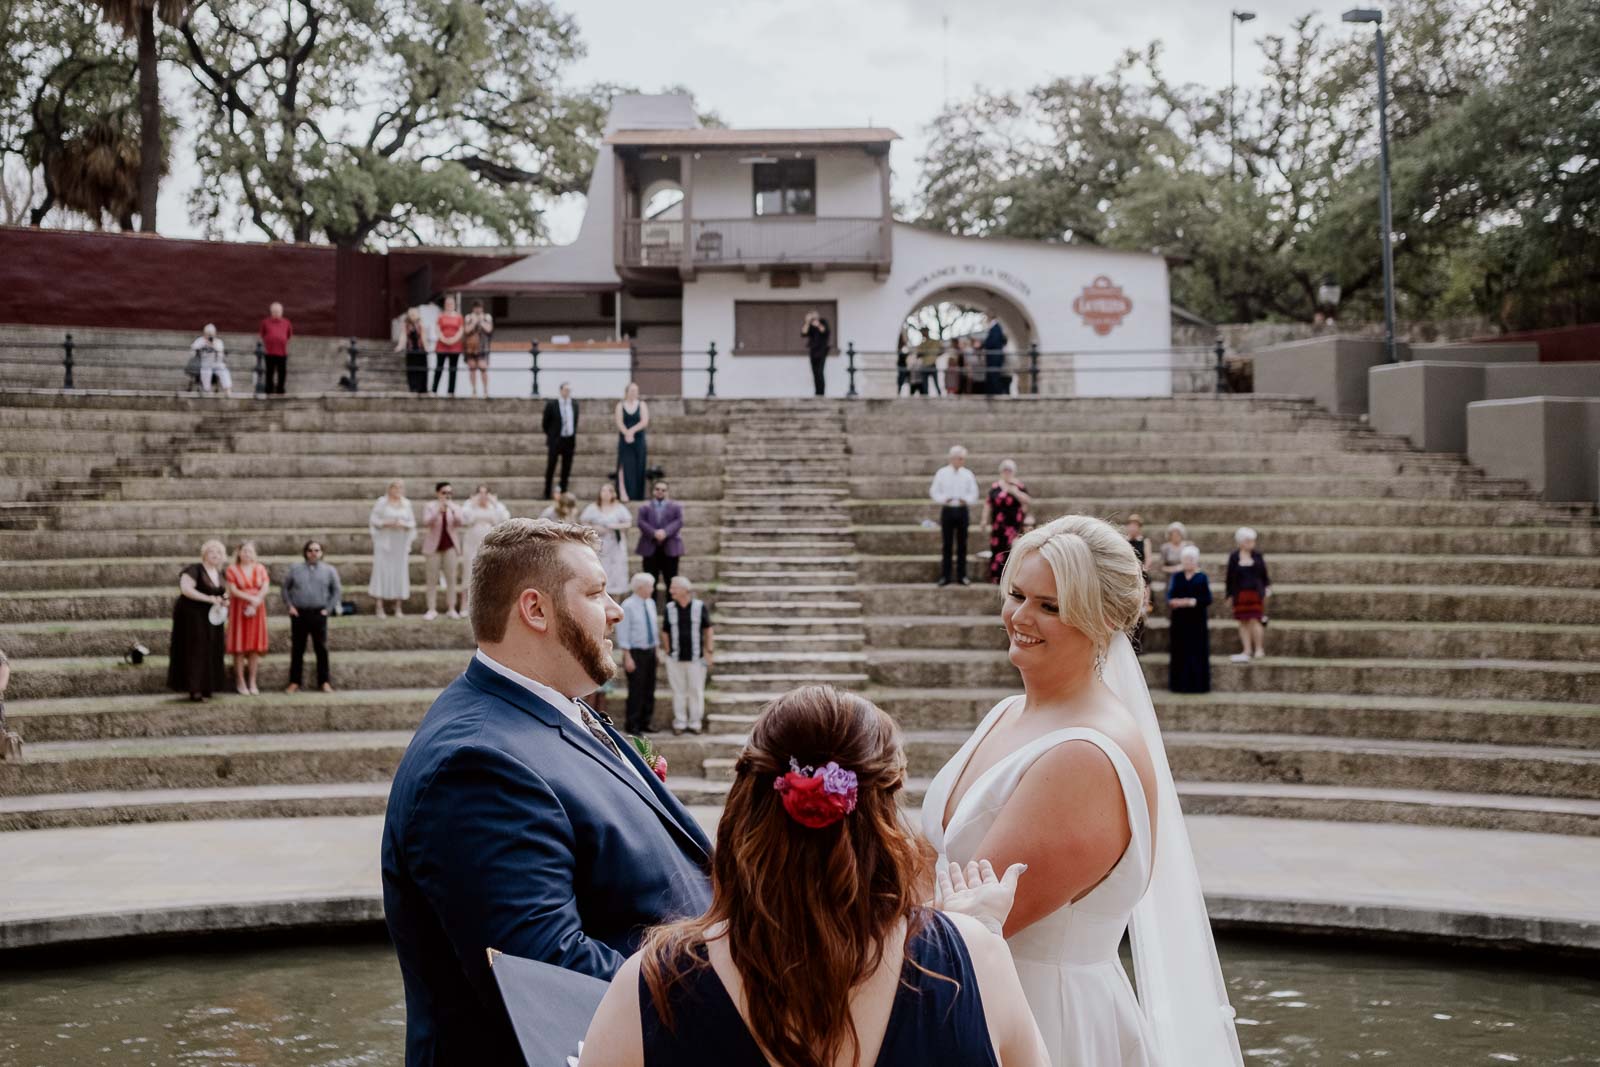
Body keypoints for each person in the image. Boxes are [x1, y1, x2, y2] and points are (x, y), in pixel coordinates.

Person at [381, 519, 712, 1065]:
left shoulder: (552, 705)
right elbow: (552, 973)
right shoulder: (476, 764)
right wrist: (728, 996)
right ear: (535, 610)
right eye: (596, 591)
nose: (617, 609)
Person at [579, 684, 1050, 1067]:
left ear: (745, 807)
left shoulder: (652, 983)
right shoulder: (975, 959)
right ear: (885, 811)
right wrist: (971, 936)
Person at [921, 515, 1245, 1067]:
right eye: (1018, 595)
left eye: (1050, 606)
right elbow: (930, 865)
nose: (1020, 617)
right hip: (970, 998)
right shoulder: (1007, 712)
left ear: (1104, 620)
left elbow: (968, 932)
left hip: (1042, 1018)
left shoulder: (1085, 757)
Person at [167, 540, 228, 702]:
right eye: (212, 552)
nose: (215, 555)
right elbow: (186, 589)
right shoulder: (194, 569)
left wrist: (223, 600)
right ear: (205, 554)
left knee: (212, 648)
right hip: (192, 616)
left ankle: (208, 685)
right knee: (196, 650)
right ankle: (194, 688)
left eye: (218, 552)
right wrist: (209, 599)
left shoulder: (220, 573)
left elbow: (223, 593)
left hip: (212, 618)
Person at [282, 539, 342, 693]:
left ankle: (324, 681)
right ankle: (294, 682)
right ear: (305, 552)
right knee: (297, 649)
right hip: (299, 613)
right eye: (310, 550)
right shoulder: (295, 569)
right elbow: (285, 589)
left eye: (317, 550)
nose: (313, 553)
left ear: (321, 553)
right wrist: (290, 606)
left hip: (319, 613)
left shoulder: (329, 570)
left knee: (321, 649)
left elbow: (336, 591)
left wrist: (328, 609)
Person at [660, 576, 713, 736]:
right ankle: (680, 722)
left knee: (696, 691)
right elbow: (665, 631)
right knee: (678, 691)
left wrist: (709, 651)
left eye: (673, 588)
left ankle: (695, 722)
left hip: (696, 658)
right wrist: (668, 649)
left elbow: (708, 629)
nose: (670, 591)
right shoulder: (669, 607)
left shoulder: (699, 606)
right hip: (675, 658)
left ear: (684, 590)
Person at [616, 572, 660, 735]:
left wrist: (656, 651)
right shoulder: (628, 605)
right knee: (637, 689)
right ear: (641, 587)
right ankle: (632, 723)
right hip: (635, 652)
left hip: (649, 650)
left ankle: (645, 721)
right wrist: (627, 656)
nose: (652, 589)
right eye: (650, 586)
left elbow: (654, 630)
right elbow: (624, 632)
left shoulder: (650, 603)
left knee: (650, 687)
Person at [929, 445, 980, 587]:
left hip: (962, 510)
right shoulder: (942, 473)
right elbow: (934, 491)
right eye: (959, 458)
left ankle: (962, 575)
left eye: (962, 459)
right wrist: (944, 499)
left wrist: (966, 500)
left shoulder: (968, 474)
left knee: (962, 544)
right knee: (947, 544)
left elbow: (974, 493)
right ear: (952, 459)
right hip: (948, 509)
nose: (961, 461)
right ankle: (945, 576)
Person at [224, 541, 271, 696]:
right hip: (239, 609)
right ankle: (240, 681)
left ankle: (252, 681)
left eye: (250, 551)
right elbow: (233, 590)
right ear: (239, 553)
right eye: (244, 551)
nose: (247, 554)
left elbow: (265, 586)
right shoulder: (232, 569)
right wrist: (251, 598)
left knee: (253, 648)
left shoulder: (260, 568)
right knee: (239, 648)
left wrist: (256, 600)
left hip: (257, 609)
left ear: (254, 553)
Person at [1167, 545, 1212, 693]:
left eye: (1191, 559)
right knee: (1180, 651)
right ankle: (1179, 685)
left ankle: (1197, 686)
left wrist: (1188, 601)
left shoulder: (1202, 577)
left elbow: (1207, 599)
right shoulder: (1177, 577)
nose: (1188, 562)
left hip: (1197, 622)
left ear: (1196, 561)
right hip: (1179, 622)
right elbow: (1170, 597)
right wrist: (1176, 602)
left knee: (1196, 652)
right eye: (1186, 559)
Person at [459, 485, 511, 616]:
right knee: (468, 572)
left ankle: (486, 606)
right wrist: (473, 504)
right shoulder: (469, 505)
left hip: (489, 544)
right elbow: (465, 519)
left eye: (485, 493)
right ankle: (464, 605)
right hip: (471, 543)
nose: (483, 496)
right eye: (480, 493)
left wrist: (495, 503)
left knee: (489, 573)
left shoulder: (495, 506)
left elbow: (504, 519)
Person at [370, 479, 417, 617]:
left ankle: (398, 607)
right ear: (389, 489)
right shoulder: (381, 502)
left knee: (399, 572)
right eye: (395, 487)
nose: (397, 490)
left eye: (400, 488)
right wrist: (387, 523)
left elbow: (412, 522)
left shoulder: (406, 503)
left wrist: (403, 524)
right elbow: (374, 520)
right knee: (381, 571)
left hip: (400, 543)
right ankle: (379, 606)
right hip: (384, 542)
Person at [1225, 526, 1271, 663]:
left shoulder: (1257, 556)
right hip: (1240, 594)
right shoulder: (1234, 557)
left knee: (1255, 620)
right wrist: (1229, 594)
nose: (1251, 543)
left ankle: (1259, 648)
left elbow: (1264, 574)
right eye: (1248, 541)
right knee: (1243, 621)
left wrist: (1267, 588)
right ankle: (1247, 649)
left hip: (1255, 593)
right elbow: (1230, 577)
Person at [982, 459, 1031, 583]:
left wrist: (1014, 492)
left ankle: (1011, 579)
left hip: (1013, 525)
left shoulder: (1018, 486)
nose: (1007, 473)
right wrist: (984, 520)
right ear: (1001, 472)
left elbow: (1027, 501)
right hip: (998, 525)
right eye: (1005, 470)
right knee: (997, 550)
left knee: (1012, 551)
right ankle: (996, 577)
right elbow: (988, 503)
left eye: (1009, 470)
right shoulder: (995, 487)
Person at [581, 482, 634, 597]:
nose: (605, 494)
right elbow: (584, 522)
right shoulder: (593, 507)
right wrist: (596, 528)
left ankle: (615, 595)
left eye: (608, 491)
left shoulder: (619, 507)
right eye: (603, 491)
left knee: (616, 569)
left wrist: (615, 526)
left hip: (615, 543)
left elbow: (628, 523)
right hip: (599, 543)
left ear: (613, 494)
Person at [636, 479, 683, 607]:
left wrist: (665, 532)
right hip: (650, 548)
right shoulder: (645, 507)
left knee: (671, 579)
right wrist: (654, 533)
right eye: (657, 489)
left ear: (667, 492)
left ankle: (671, 608)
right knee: (650, 580)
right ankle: (650, 606)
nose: (660, 492)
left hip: (670, 548)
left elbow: (678, 522)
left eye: (663, 490)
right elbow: (641, 522)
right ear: (653, 491)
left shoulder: (676, 506)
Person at [422, 481, 465, 620]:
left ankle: (451, 608)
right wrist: (438, 510)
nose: (447, 495)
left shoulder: (455, 507)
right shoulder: (430, 506)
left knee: (451, 578)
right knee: (431, 579)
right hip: (433, 547)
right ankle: (431, 609)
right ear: (438, 493)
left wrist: (451, 509)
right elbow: (427, 522)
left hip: (450, 547)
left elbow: (460, 522)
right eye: (444, 492)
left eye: (449, 493)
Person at [543, 381, 579, 499]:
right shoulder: (552, 404)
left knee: (566, 467)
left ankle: (563, 492)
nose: (567, 392)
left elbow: (575, 421)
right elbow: (545, 423)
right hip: (556, 440)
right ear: (561, 390)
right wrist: (552, 436)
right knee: (551, 466)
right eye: (565, 390)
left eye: (569, 390)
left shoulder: (574, 404)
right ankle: (547, 492)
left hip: (569, 440)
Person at [615, 381, 650, 502]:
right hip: (625, 439)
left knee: (639, 464)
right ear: (627, 392)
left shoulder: (642, 404)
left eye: (636, 391)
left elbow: (644, 421)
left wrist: (632, 431)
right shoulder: (620, 405)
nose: (634, 393)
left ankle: (638, 494)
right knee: (625, 465)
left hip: (638, 438)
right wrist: (626, 432)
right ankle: (625, 493)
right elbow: (619, 421)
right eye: (632, 390)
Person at [1125, 514, 1155, 650]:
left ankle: (1140, 643)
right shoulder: (1124, 541)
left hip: (1141, 576)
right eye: (1130, 525)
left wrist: (1141, 570)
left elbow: (1148, 560)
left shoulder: (1145, 542)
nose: (1132, 528)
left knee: (1143, 610)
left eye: (1135, 525)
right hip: (1128, 576)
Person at [432, 295, 464, 396]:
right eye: (448, 303)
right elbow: (437, 329)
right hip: (442, 346)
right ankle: (434, 390)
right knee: (439, 368)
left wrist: (453, 340)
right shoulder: (440, 316)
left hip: (455, 347)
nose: (449, 305)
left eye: (451, 303)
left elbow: (461, 330)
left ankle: (451, 392)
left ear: (454, 304)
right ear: (445, 304)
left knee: (453, 369)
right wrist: (444, 339)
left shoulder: (459, 317)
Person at [259, 301, 292, 395]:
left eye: (278, 311)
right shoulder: (265, 322)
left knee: (282, 373)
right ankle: (269, 390)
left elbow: (289, 335)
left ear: (282, 312)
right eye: (274, 311)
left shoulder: (286, 322)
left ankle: (280, 390)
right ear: (271, 312)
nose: (276, 313)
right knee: (269, 372)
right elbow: (262, 334)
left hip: (282, 352)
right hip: (269, 352)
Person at [395, 307, 431, 394]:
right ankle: (413, 387)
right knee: (411, 370)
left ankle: (422, 388)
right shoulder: (406, 325)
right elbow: (403, 336)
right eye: (411, 314)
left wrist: (426, 348)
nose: (412, 316)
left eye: (414, 314)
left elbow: (423, 337)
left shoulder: (420, 324)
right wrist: (400, 346)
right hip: (411, 351)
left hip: (420, 351)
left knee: (421, 370)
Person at [190, 324, 232, 396]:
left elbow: (221, 355)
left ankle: (228, 390)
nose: (209, 336)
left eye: (211, 334)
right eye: (208, 334)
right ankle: (207, 391)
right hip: (205, 363)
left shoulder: (218, 342)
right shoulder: (200, 341)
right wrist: (202, 345)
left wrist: (213, 345)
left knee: (224, 372)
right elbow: (192, 352)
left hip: (217, 364)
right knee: (206, 372)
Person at [463, 300, 494, 398]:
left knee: (483, 368)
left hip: (483, 346)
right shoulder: (468, 317)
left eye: (479, 307)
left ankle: (485, 390)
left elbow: (489, 329)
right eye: (476, 307)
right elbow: (466, 330)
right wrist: (474, 321)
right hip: (471, 347)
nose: (478, 309)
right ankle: (474, 390)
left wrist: (480, 321)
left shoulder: (487, 317)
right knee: (472, 368)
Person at [801, 308, 830, 396]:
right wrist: (807, 322)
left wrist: (817, 324)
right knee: (814, 372)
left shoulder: (823, 322)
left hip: (822, 351)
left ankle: (821, 392)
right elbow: (803, 333)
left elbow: (825, 331)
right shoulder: (810, 325)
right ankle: (817, 392)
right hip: (813, 351)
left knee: (820, 371)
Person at [982, 316, 1008, 396]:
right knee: (993, 375)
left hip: (994, 357)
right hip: (993, 357)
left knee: (994, 376)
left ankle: (996, 393)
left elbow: (993, 342)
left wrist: (984, 345)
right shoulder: (995, 328)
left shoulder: (995, 328)